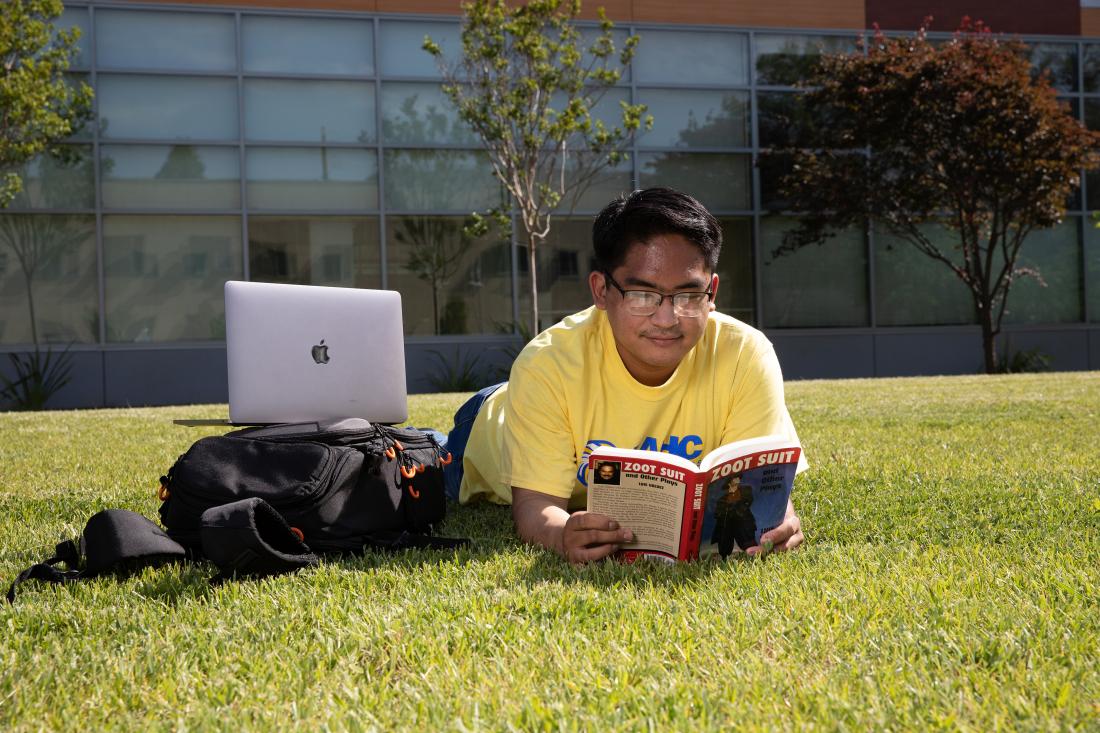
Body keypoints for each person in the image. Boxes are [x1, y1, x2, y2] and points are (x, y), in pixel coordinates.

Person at [442, 187, 807, 564]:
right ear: (601, 290)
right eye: (642, 295)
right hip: (484, 432)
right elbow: (535, 505)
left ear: (711, 292)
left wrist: (780, 514)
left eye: (687, 296)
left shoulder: (745, 353)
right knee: (416, 468)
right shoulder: (546, 364)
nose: (667, 319)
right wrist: (559, 533)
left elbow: (758, 481)